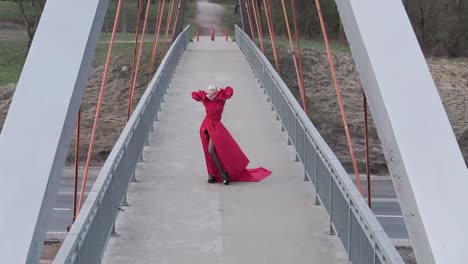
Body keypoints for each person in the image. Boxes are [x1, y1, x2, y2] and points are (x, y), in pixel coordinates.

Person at [192, 84, 272, 185]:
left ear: (216, 91)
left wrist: (218, 94)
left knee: (211, 150)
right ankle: (212, 174)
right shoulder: (205, 100)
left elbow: (230, 91)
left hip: (216, 126)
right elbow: (194, 95)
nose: (209, 92)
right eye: (208, 90)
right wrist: (205, 95)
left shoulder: (222, 99)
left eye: (212, 90)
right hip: (206, 125)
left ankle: (224, 173)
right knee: (208, 151)